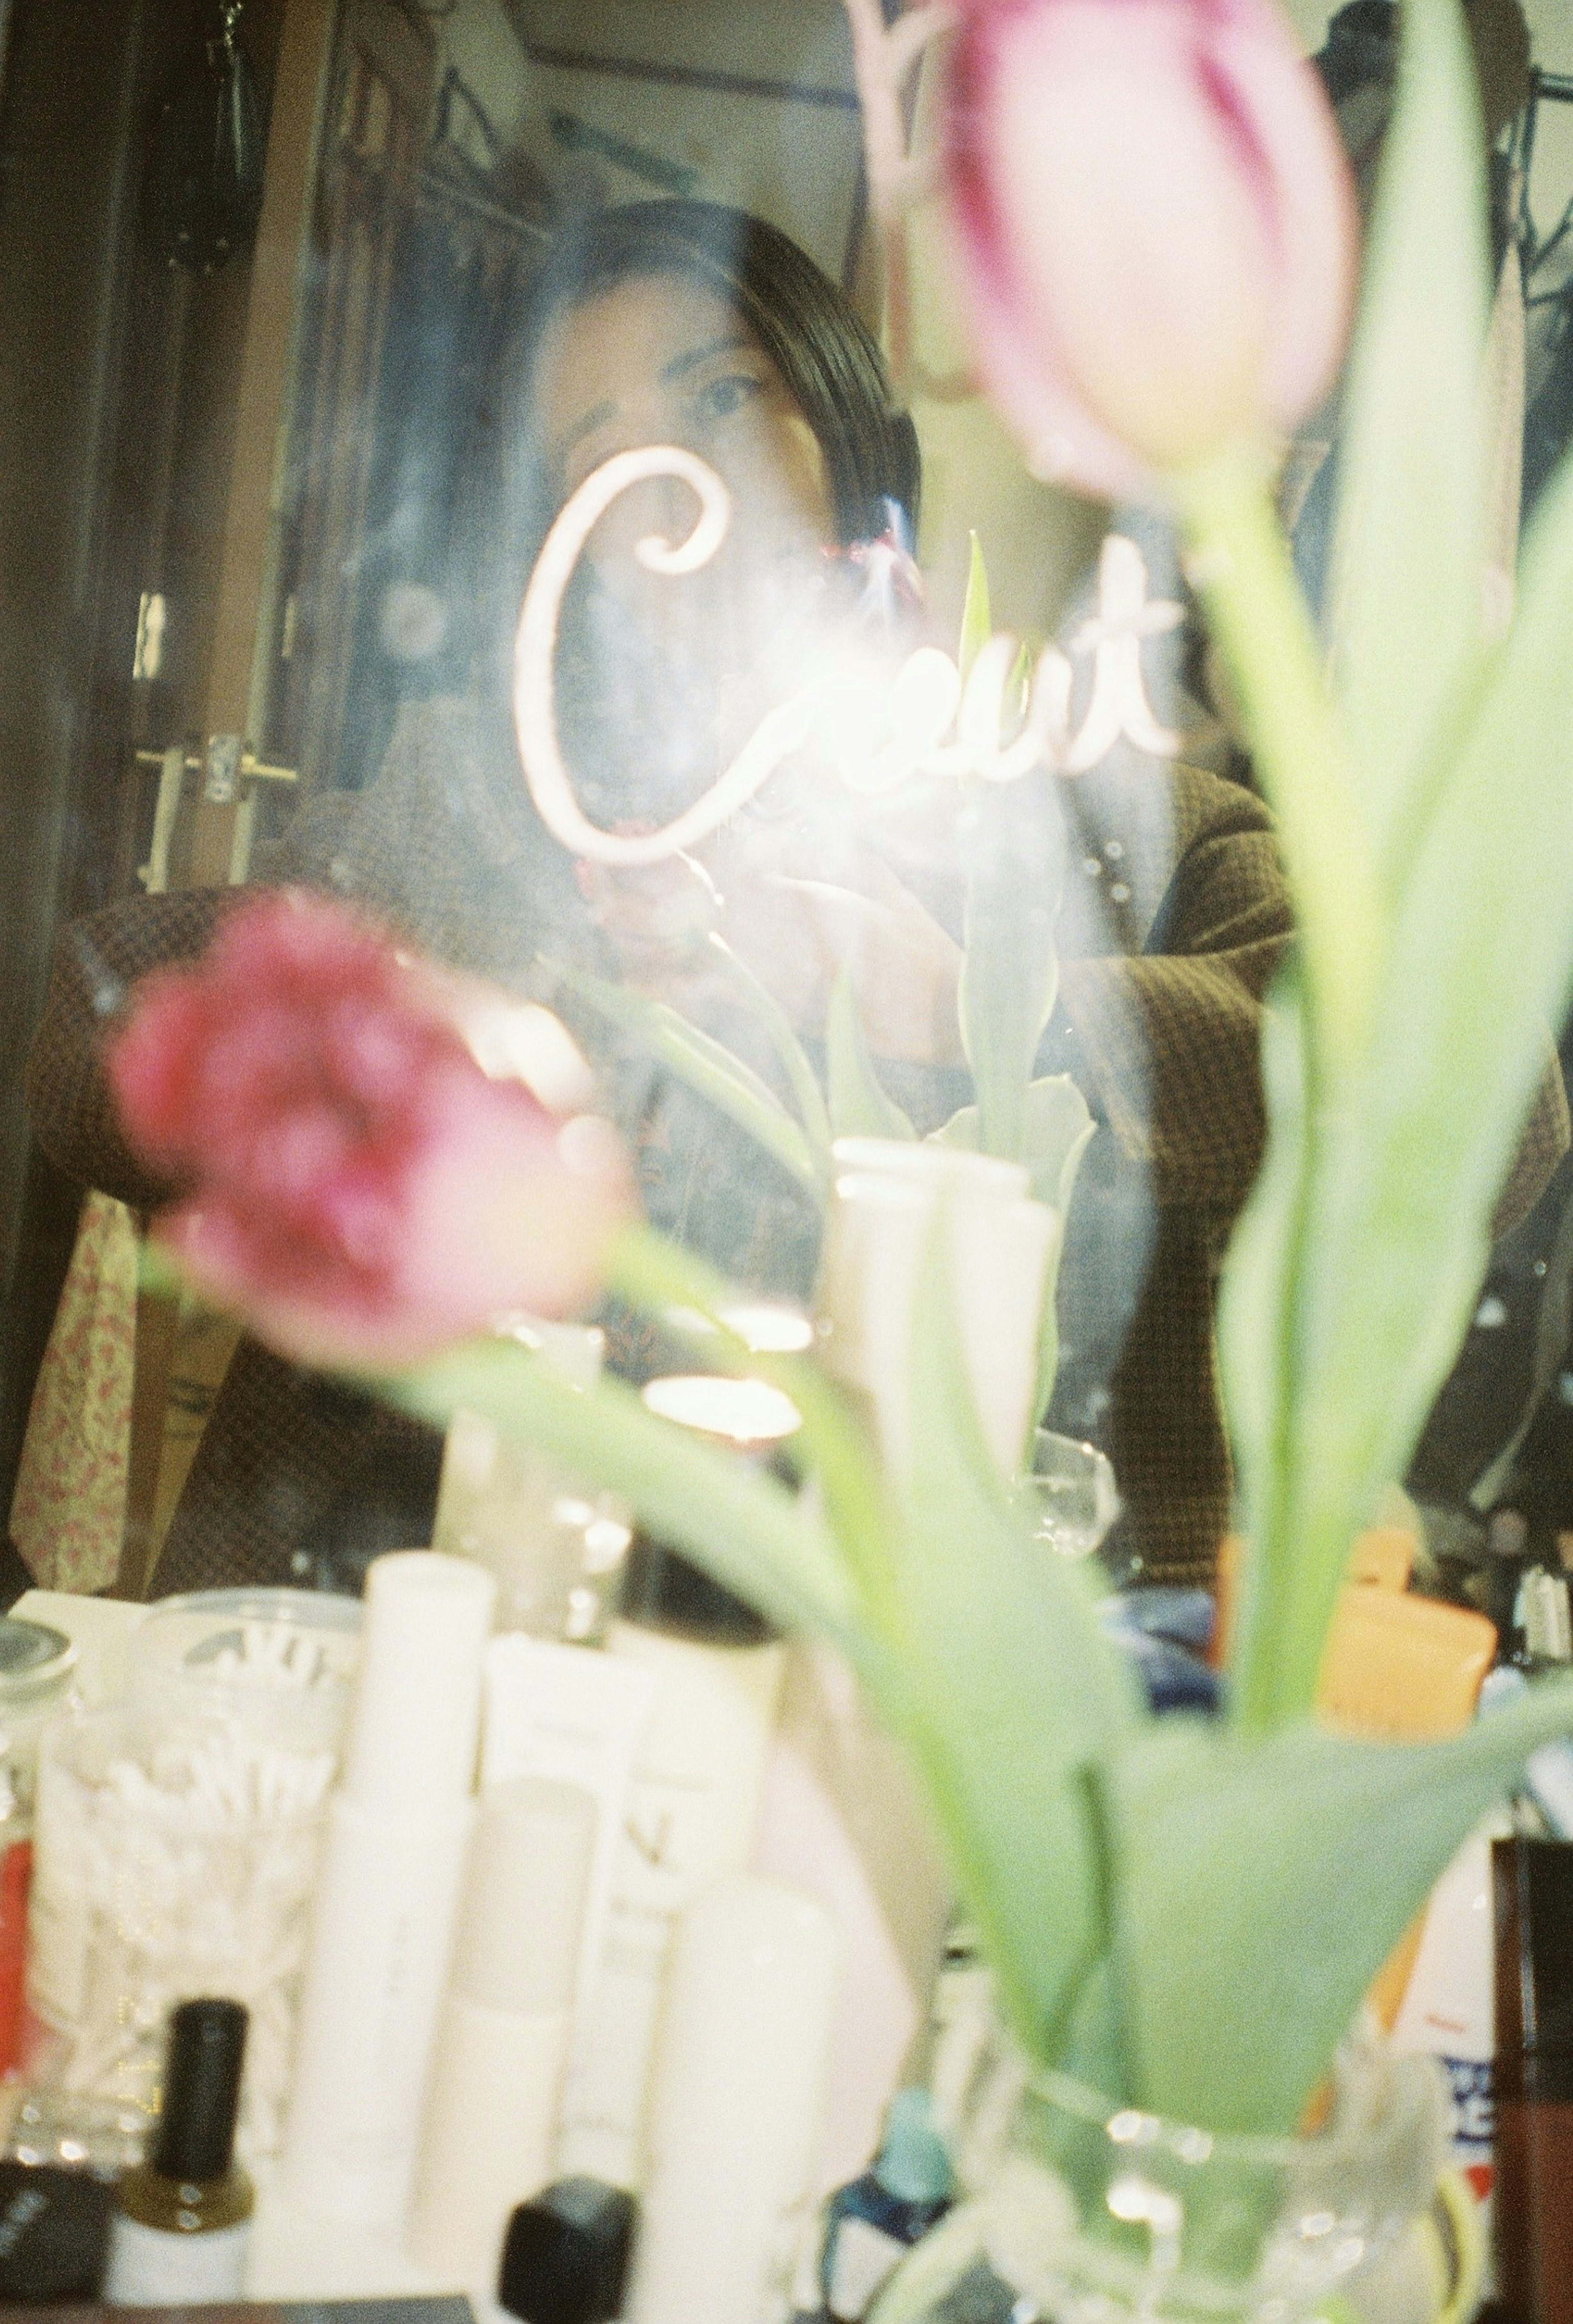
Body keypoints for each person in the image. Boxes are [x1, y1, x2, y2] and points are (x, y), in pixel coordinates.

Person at [24, 198, 1559, 1598]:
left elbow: (1487, 1109)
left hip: (963, 1698)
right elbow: (83, 1036)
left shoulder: (1080, 809)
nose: (669, 481)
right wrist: (477, 1029)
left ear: (845, 423)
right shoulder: (494, 815)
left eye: (718, 394)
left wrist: (976, 1009)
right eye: (592, 458)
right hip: (464, 1617)